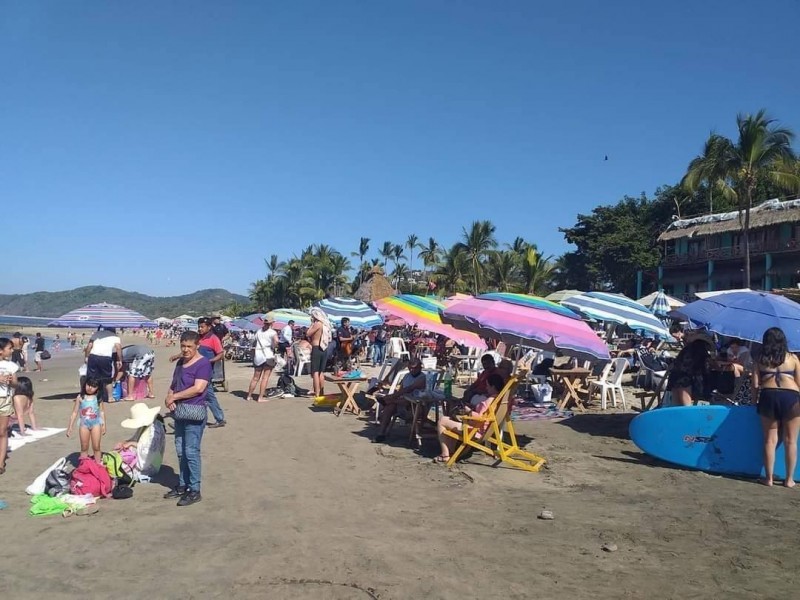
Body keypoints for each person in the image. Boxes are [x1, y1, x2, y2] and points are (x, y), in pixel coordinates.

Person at [164, 331, 211, 506]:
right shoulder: (180, 363)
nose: (185, 350)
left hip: (195, 411)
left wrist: (174, 397)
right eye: (183, 346)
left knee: (191, 452)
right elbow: (174, 384)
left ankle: (195, 489)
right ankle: (183, 484)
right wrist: (169, 397)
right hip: (179, 412)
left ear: (197, 346)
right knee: (180, 450)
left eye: (189, 346)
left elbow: (198, 388)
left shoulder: (203, 364)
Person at [752, 327, 800, 488]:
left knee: (769, 440)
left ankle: (769, 478)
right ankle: (789, 479)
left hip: (768, 395)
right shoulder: (793, 358)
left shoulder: (760, 359)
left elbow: (755, 385)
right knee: (791, 441)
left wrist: (753, 402)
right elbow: (799, 383)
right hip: (791, 397)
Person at [434, 372, 504, 463]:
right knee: (452, 420)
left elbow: (480, 418)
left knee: (442, 421)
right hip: (485, 430)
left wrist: (468, 411)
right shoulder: (499, 400)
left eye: (488, 386)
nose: (486, 388)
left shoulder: (489, 401)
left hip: (475, 431)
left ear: (493, 387)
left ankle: (445, 454)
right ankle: (451, 451)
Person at [176, 317, 226, 427]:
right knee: (200, 395)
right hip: (194, 371)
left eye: (202, 327)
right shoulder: (197, 338)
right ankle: (187, 417)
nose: (200, 328)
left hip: (205, 372)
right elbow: (190, 351)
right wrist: (176, 356)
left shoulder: (213, 339)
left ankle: (220, 418)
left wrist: (208, 361)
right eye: (199, 326)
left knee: (208, 395)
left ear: (209, 327)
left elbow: (221, 354)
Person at [373, 358, 427, 443]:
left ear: (420, 367)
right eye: (410, 368)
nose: (412, 370)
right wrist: (394, 396)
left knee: (400, 400)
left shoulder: (422, 377)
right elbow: (401, 390)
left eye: (414, 368)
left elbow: (409, 389)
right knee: (389, 407)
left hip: (414, 406)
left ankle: (387, 401)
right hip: (403, 402)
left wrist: (392, 397)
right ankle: (381, 433)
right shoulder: (407, 376)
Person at [66, 376, 106, 463]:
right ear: (85, 384)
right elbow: (74, 412)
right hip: (84, 425)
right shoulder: (80, 397)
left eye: (94, 386)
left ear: (98, 388)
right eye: (88, 385)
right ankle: (83, 466)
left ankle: (98, 465)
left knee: (96, 447)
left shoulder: (98, 398)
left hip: (96, 424)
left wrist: (104, 425)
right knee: (84, 447)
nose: (90, 388)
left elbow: (101, 412)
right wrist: (70, 427)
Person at [666, 338, 713, 406]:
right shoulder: (700, 353)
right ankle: (689, 416)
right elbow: (705, 368)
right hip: (684, 378)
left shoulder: (687, 350)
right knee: (686, 405)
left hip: (674, 376)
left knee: (675, 405)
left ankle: (676, 416)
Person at [85, 327, 123, 403]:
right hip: (105, 358)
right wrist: (119, 360)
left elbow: (89, 346)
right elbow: (118, 348)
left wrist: (86, 356)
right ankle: (110, 397)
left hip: (93, 356)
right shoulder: (115, 336)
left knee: (91, 378)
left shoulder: (97, 334)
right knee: (107, 378)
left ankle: (90, 396)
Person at [0, 337, 20, 474]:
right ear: (1, 351)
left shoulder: (11, 365)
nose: (12, 351)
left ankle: (0, 462)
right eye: (9, 348)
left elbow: (15, 384)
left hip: (5, 399)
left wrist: (10, 381)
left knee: (2, 431)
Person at [247, 317, 278, 403]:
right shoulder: (272, 332)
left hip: (258, 354)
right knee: (265, 378)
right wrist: (274, 346)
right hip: (268, 355)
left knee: (255, 377)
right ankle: (260, 397)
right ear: (272, 323)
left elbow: (254, 342)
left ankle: (249, 395)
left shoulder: (259, 331)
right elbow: (276, 342)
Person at [307, 307, 333, 398]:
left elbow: (308, 333)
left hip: (316, 347)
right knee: (321, 372)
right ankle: (322, 391)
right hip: (324, 348)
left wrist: (311, 324)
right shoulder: (326, 325)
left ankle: (317, 393)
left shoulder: (317, 324)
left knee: (315, 372)